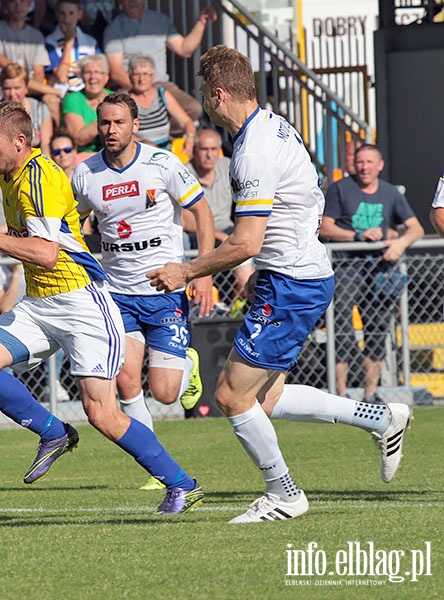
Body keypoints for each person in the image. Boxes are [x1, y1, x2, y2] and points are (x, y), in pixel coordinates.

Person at [147, 45, 412, 523]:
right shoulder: (272, 124)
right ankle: (382, 418)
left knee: (230, 395)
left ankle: (284, 494)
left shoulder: (253, 149)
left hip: (292, 282)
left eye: (205, 95)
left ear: (218, 93)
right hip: (291, 275)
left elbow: (246, 242)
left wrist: (185, 271)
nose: (204, 105)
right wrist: (263, 269)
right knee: (264, 398)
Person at [0, 101, 204, 515]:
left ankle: (182, 484)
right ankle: (53, 432)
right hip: (41, 303)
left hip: (82, 305)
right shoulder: (11, 175)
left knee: (103, 415)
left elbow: (45, 253)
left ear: (20, 142)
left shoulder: (39, 178)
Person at [72, 93, 213, 490]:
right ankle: (157, 465)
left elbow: (201, 211)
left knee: (165, 393)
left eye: (118, 123)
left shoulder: (162, 163)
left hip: (163, 289)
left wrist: (200, 273)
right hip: (117, 293)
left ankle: (188, 363)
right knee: (127, 381)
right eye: (104, 123)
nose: (111, 130)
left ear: (135, 125)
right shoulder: (85, 174)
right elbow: (75, 221)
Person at [319, 144, 424, 402]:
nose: (364, 167)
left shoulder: (390, 193)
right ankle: (340, 394)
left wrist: (399, 243)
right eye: (360, 161)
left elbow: (416, 228)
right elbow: (324, 228)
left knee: (378, 329)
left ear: (380, 165)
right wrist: (358, 235)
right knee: (341, 328)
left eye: (369, 162)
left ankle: (370, 393)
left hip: (379, 272)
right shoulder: (340, 189)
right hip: (345, 269)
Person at [103, 0, 215, 126]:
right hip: (131, 86)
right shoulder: (113, 29)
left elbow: (185, 49)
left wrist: (201, 22)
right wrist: (142, 87)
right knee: (121, 116)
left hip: (161, 85)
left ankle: (165, 136)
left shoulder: (160, 20)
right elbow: (116, 72)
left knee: (193, 108)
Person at [183, 127, 253, 301]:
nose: (209, 155)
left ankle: (240, 303)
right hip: (197, 233)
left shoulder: (227, 166)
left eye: (214, 149)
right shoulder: (184, 173)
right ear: (194, 151)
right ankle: (244, 304)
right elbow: (186, 221)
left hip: (227, 229)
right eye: (204, 149)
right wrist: (219, 235)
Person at [0, 0, 62, 119]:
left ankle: (57, 135)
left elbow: (39, 73)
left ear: (29, 4)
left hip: (27, 88)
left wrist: (25, 87)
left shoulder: (37, 36)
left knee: (51, 100)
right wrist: (17, 73)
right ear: (5, 5)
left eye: (22, 1)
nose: (18, 5)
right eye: (13, 2)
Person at [127, 54, 195, 154]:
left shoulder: (162, 94)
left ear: (153, 77)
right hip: (139, 154)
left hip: (166, 153)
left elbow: (186, 122)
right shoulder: (126, 101)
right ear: (130, 77)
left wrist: (190, 137)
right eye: (137, 74)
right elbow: (124, 134)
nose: (141, 79)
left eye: (146, 74)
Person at [44, 0, 100, 97]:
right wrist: (68, 44)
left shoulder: (91, 42)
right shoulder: (49, 42)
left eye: (71, 13)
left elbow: (100, 70)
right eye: (62, 13)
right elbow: (62, 77)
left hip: (89, 90)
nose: (66, 19)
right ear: (56, 14)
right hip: (63, 93)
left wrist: (82, 69)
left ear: (80, 15)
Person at [0, 63, 52, 152]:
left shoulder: (40, 109)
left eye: (17, 88)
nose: (12, 93)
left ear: (26, 88)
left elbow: (46, 147)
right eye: (7, 88)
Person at [61, 54, 111, 153]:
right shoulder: (73, 99)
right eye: (88, 72)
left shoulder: (115, 97)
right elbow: (78, 138)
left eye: (97, 72)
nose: (92, 77)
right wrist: (107, 120)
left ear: (106, 77)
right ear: (82, 77)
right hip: (84, 155)